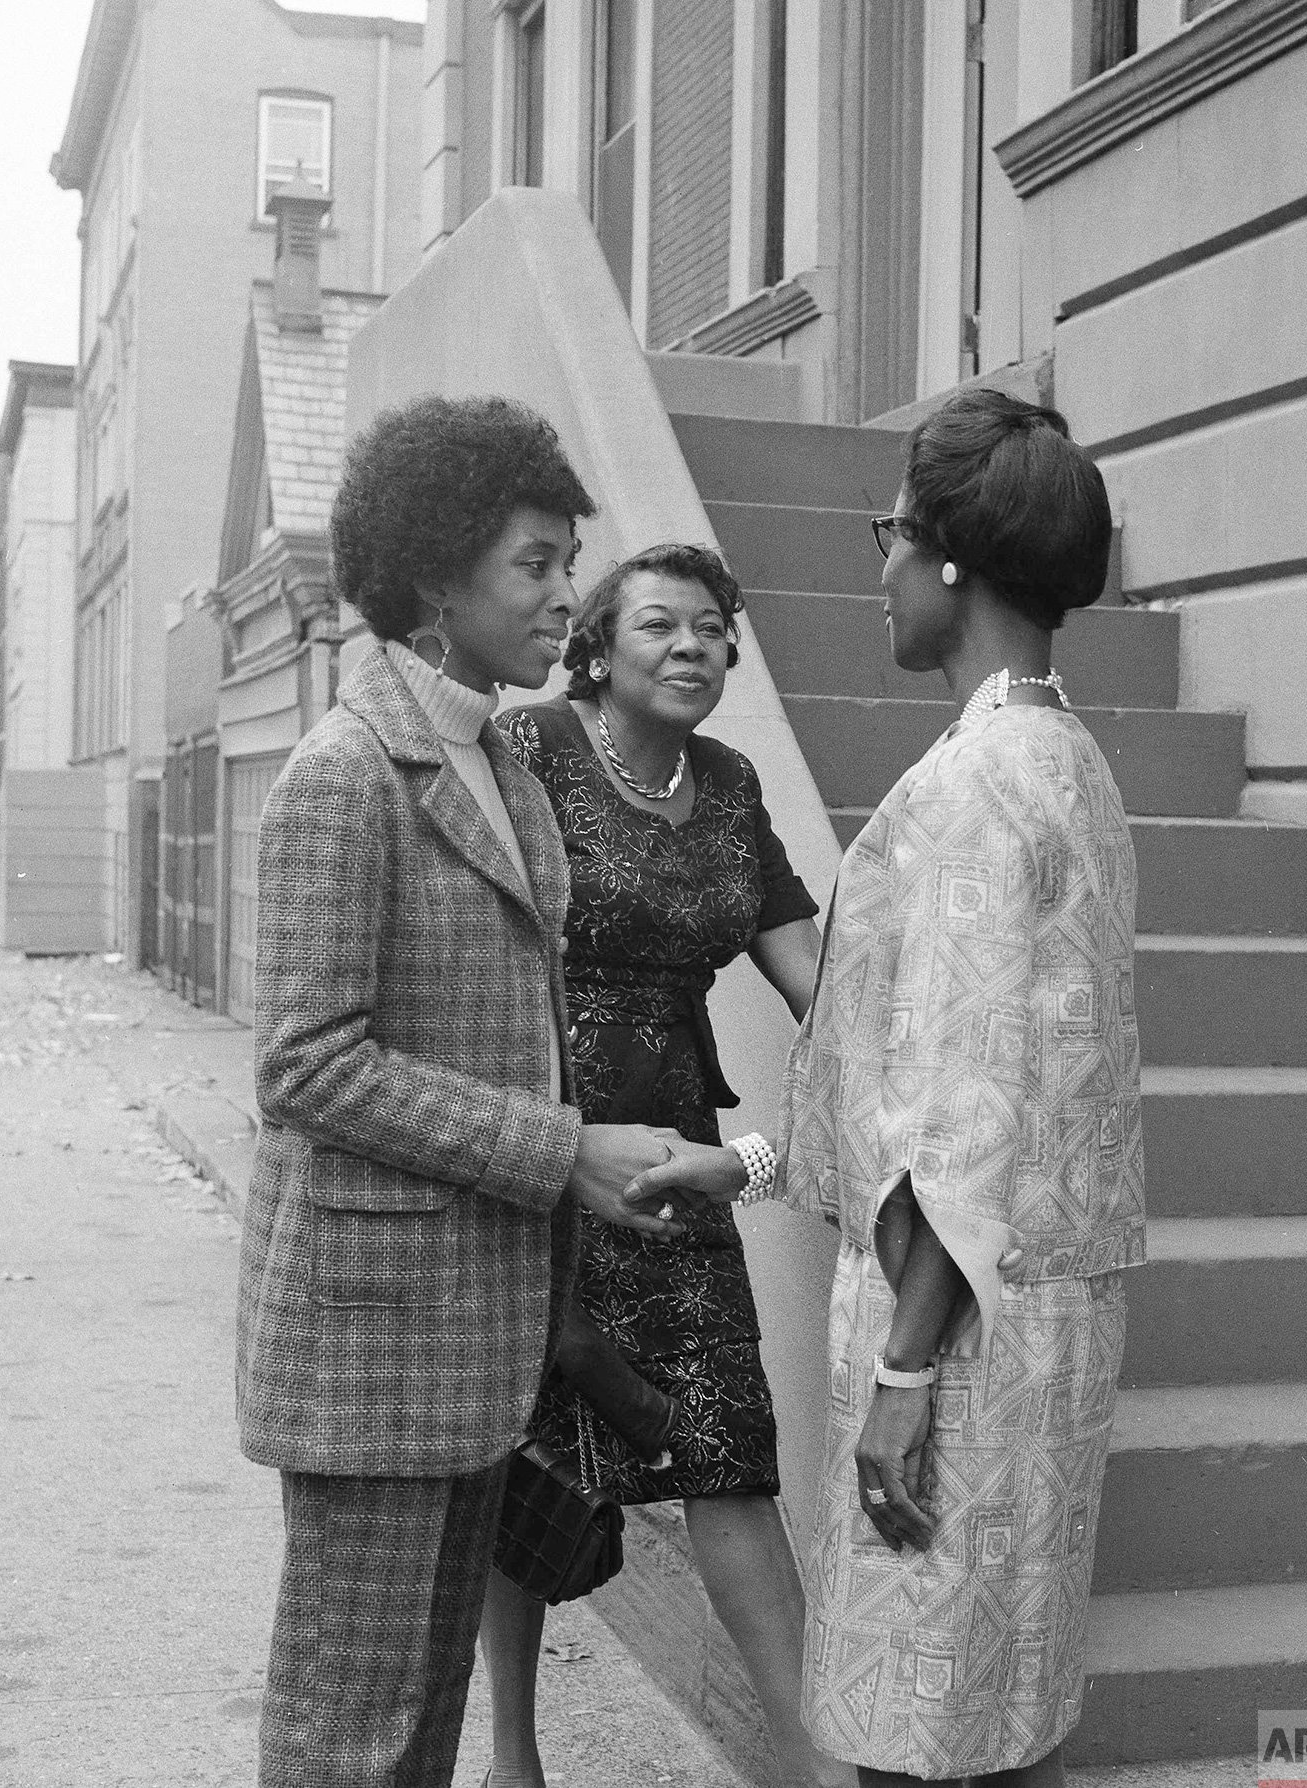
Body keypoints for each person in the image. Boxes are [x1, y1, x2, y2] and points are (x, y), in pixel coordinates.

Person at [630, 390, 1147, 1784]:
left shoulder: (977, 783)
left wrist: (906, 1377)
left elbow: (966, 1119)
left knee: (916, 1735)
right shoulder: (1074, 765)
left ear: (953, 560)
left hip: (961, 1338)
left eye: (892, 537)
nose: (881, 571)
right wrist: (740, 1167)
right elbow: (935, 1079)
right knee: (997, 1709)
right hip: (1046, 1321)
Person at [234, 396, 685, 1788]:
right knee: (347, 1741)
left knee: (421, 1730)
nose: (570, 599)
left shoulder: (498, 756)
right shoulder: (343, 773)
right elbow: (307, 1065)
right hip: (369, 1355)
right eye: (536, 567)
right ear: (436, 578)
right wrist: (563, 1153)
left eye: (568, 564)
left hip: (472, 1342)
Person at [485, 544, 853, 1788]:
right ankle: (515, 1754)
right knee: (526, 1463)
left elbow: (825, 989)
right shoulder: (529, 751)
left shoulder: (735, 787)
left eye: (715, 627)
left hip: (678, 1170)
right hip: (545, 1155)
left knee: (728, 1457)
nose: (695, 644)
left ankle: (813, 1767)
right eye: (662, 624)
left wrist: (772, 1142)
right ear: (597, 646)